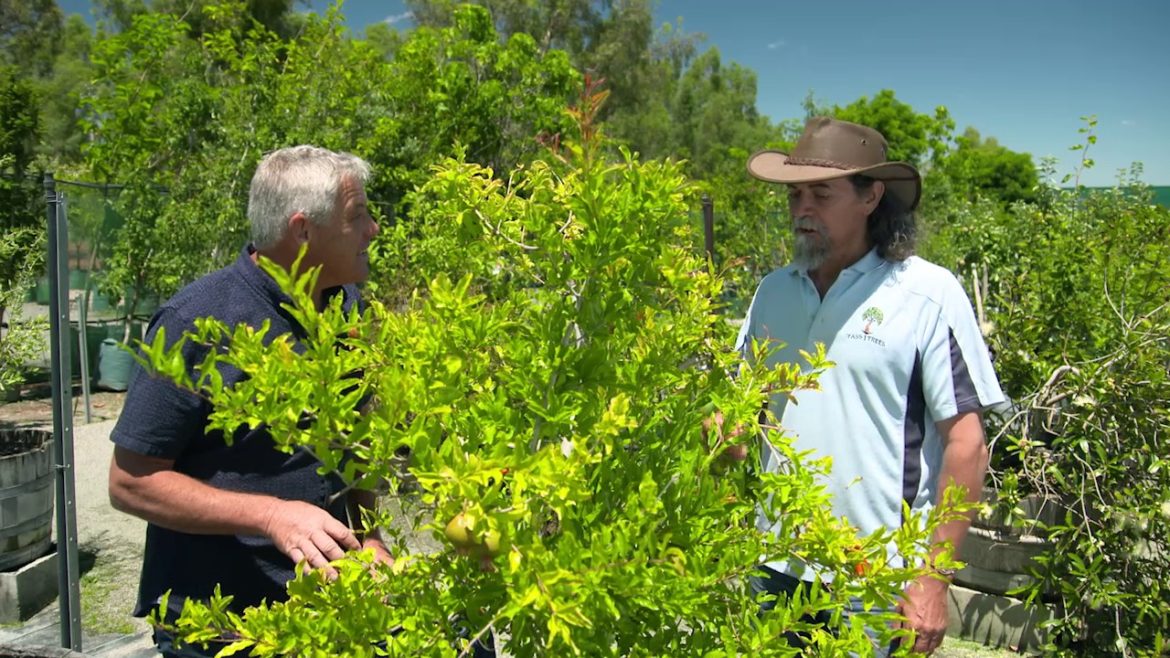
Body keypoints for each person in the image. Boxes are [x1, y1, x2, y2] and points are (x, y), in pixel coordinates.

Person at [107, 145, 390, 657]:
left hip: (325, 614)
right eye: (358, 216)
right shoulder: (196, 322)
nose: (372, 230)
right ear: (303, 231)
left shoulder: (347, 306)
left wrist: (369, 536)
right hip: (222, 628)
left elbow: (355, 436)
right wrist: (271, 515)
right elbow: (130, 482)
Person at [737, 117, 1005, 655]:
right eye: (794, 195)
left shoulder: (926, 294)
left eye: (821, 194)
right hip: (775, 566)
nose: (802, 209)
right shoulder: (773, 292)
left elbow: (967, 445)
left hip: (877, 579)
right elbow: (745, 415)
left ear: (871, 197)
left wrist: (932, 580)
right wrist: (724, 431)